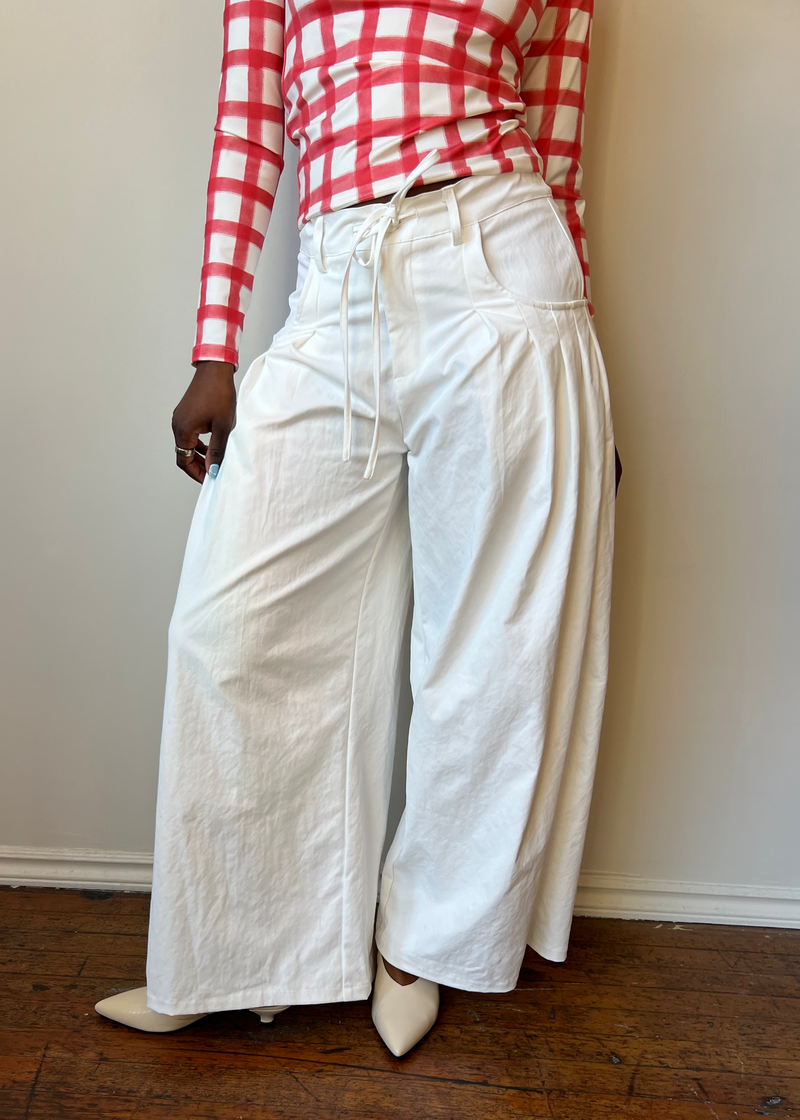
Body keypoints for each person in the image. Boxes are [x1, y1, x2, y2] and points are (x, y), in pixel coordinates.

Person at [95, 0, 618, 1057]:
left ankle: (419, 946)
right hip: (334, 281)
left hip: (504, 268)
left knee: (489, 654)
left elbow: (557, 150)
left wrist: (585, 378)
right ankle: (240, 950)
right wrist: (214, 348)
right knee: (228, 632)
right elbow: (250, 123)